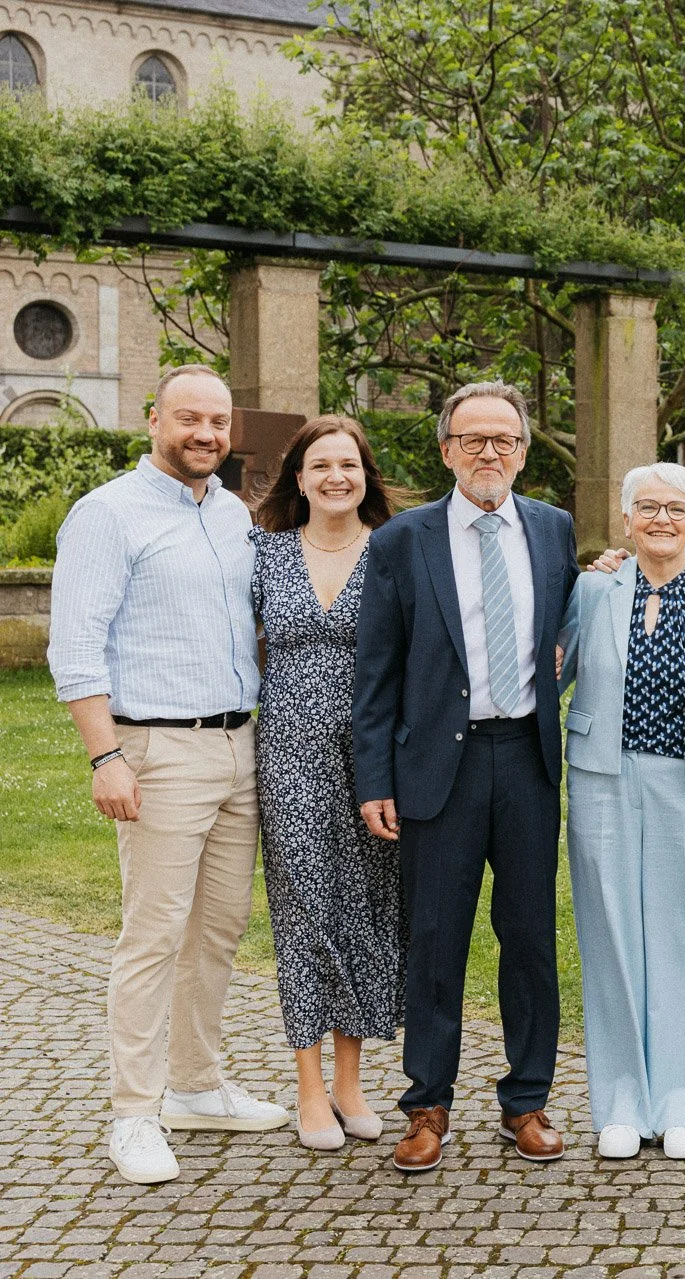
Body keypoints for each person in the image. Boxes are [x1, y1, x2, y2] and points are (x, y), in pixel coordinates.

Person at [48, 363, 289, 1185]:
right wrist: (104, 753)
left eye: (218, 423)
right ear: (154, 419)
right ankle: (134, 1112)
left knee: (217, 931)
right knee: (152, 936)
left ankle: (195, 1085)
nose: (205, 435)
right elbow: (74, 645)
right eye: (189, 418)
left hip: (237, 747)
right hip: (154, 749)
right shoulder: (106, 514)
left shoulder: (232, 513)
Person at [353, 380, 579, 1173]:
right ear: (447, 448)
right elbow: (374, 673)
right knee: (435, 937)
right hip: (434, 766)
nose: (491, 452)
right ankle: (426, 1105)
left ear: (522, 449)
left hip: (525, 758)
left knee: (528, 937)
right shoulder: (401, 541)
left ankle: (528, 1101)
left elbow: (571, 628)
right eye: (474, 439)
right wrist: (372, 777)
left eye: (506, 440)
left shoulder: (553, 530)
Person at [560, 463, 685, 1162]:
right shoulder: (591, 589)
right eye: (647, 507)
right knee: (611, 936)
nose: (662, 519)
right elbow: (551, 667)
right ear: (625, 519)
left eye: (677, 508)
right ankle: (620, 1101)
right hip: (602, 781)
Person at [250, 416, 410, 1150]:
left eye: (350, 463)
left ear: (366, 475)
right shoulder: (264, 553)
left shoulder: (397, 551)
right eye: (321, 465)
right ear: (300, 476)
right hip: (286, 753)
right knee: (304, 910)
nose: (336, 476)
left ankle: (351, 1081)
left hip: (374, 757)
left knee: (368, 910)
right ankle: (308, 1086)